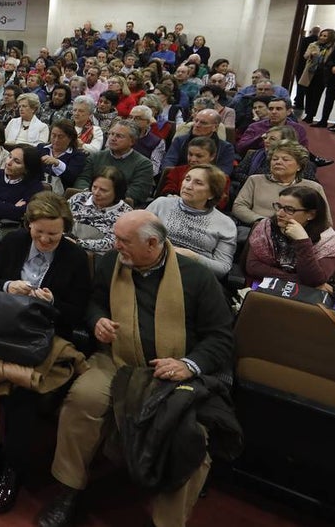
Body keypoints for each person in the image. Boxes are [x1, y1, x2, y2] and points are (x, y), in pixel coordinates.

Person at [36, 211, 234, 527]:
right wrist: (96, 320)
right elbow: (94, 302)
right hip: (116, 360)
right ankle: (68, 489)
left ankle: (167, 522)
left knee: (185, 437)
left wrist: (188, 364)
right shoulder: (111, 263)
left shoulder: (196, 278)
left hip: (170, 374)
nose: (115, 246)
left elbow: (221, 337)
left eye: (123, 241)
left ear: (152, 243)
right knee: (82, 399)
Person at [0, 193, 92, 515]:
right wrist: (10, 286)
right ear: (29, 225)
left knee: (20, 388)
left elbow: (77, 314)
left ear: (65, 228)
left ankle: (13, 466)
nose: (46, 240)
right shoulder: (14, 241)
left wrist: (52, 303)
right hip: (5, 327)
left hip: (44, 334)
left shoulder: (75, 258)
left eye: (54, 234)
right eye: (39, 233)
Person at [145, 165, 236, 278]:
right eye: (187, 179)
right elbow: (138, 236)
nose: (188, 186)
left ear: (212, 194)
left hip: (194, 275)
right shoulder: (161, 204)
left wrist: (194, 257)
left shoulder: (226, 224)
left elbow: (223, 268)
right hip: (153, 265)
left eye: (198, 183)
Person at [245, 186, 335, 287]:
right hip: (262, 289)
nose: (279, 213)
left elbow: (313, 280)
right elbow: (253, 267)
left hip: (305, 298)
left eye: (289, 209)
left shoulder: (330, 243)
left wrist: (302, 241)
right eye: (279, 206)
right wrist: (297, 280)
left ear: (311, 215)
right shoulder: (265, 228)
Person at [232, 141, 329, 228]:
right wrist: (263, 222)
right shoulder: (255, 180)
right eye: (275, 159)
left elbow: (325, 220)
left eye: (285, 159)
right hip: (257, 228)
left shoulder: (313, 188)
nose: (278, 162)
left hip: (299, 233)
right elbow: (239, 206)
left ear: (299, 166)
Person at [73, 120, 155, 205]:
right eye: (111, 134)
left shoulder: (144, 164)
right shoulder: (96, 156)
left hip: (121, 208)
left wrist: (108, 198)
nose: (112, 138)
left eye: (119, 136)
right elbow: (83, 179)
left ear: (132, 141)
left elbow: (137, 193)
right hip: (90, 201)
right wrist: (91, 195)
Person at [68, 167, 131, 253]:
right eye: (94, 187)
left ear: (117, 192)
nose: (96, 193)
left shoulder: (126, 214)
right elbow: (59, 219)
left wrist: (78, 243)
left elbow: (112, 243)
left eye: (103, 190)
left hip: (97, 256)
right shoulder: (79, 198)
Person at [0, 146, 45, 222]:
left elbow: (21, 214)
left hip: (11, 228)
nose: (8, 163)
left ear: (27, 169)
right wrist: (11, 208)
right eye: (10, 156)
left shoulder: (34, 186)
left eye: (17, 161)